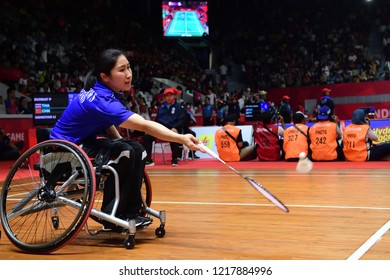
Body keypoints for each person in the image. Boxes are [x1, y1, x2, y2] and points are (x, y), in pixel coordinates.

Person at [50, 49, 202, 230]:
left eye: (129, 68)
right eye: (121, 70)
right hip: (65, 149)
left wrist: (120, 139)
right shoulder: (101, 99)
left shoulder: (103, 91)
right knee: (126, 152)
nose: (128, 74)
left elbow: (105, 120)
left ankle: (131, 209)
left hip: (83, 141)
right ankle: (113, 215)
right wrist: (180, 138)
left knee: (136, 148)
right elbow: (145, 125)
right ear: (105, 76)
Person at [142, 87, 187, 167]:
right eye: (167, 96)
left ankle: (174, 159)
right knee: (147, 136)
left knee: (174, 135)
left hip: (173, 129)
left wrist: (175, 128)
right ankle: (148, 160)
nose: (169, 97)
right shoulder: (161, 108)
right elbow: (157, 120)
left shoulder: (179, 107)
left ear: (174, 96)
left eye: (171, 95)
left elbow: (182, 120)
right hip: (161, 130)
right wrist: (152, 129)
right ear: (164, 97)